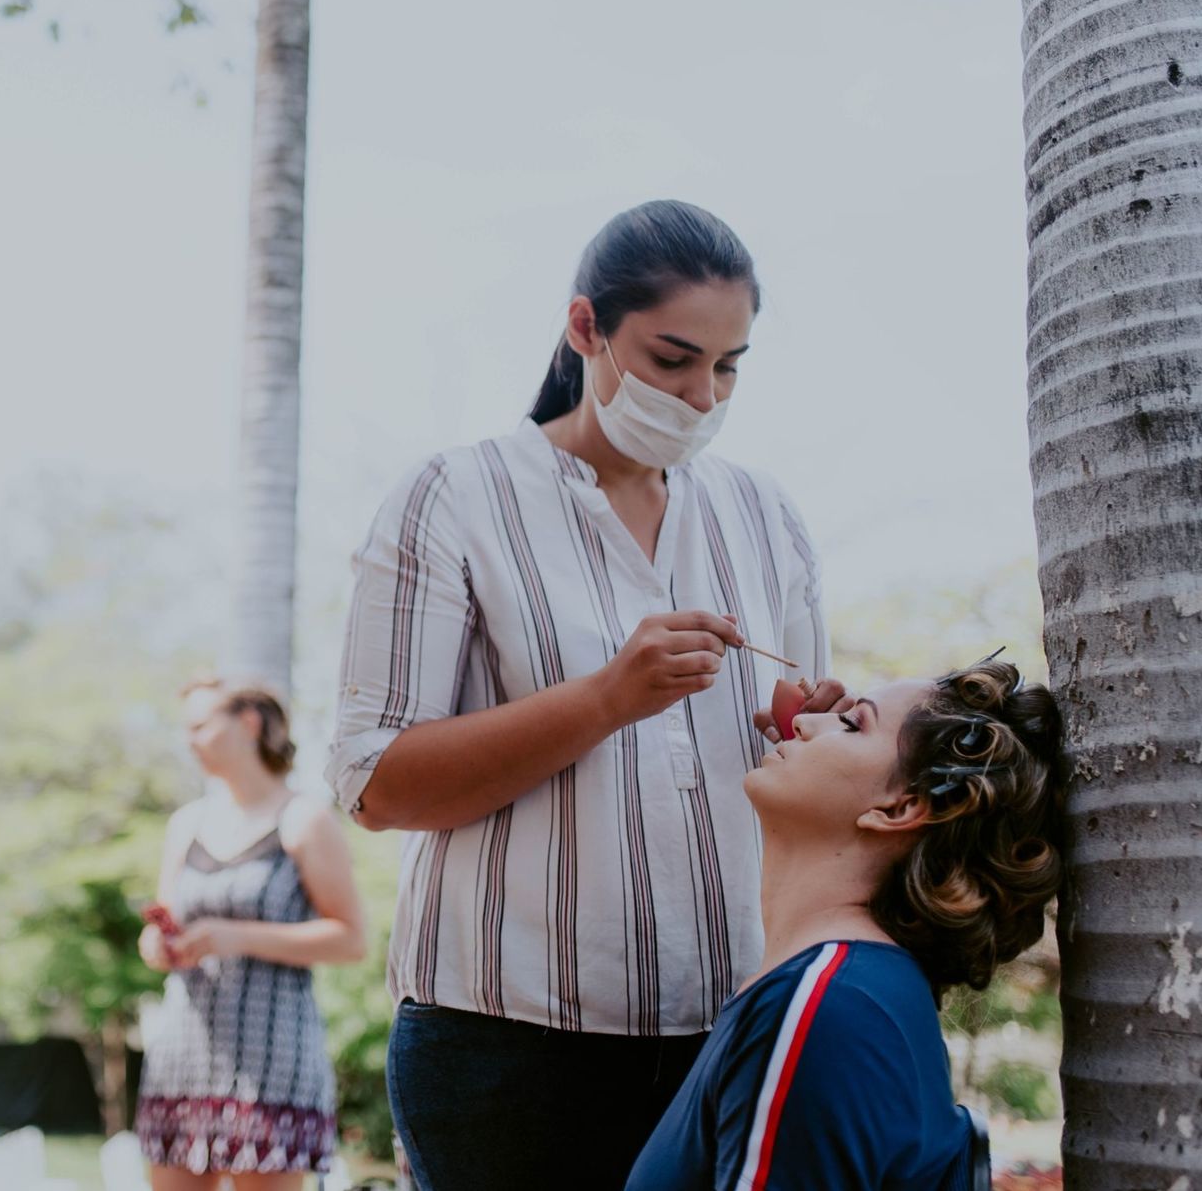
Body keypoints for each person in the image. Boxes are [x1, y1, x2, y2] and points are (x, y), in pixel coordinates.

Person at [326, 199, 855, 1189]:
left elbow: (797, 774)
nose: (702, 395)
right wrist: (608, 696)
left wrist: (808, 728)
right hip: (505, 1051)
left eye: (729, 364)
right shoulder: (455, 495)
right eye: (672, 358)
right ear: (586, 330)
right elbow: (375, 783)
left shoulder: (764, 516)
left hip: (731, 1031)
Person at [625, 656, 1066, 1189]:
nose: (806, 722)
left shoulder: (822, 1004)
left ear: (902, 807)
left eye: (854, 723)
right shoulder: (851, 992)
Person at [135, 680, 369, 1190]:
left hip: (272, 1062)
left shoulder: (304, 818)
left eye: (200, 725)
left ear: (249, 723)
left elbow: (352, 940)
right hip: (182, 1056)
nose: (190, 740)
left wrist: (236, 936)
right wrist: (158, 946)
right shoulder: (186, 823)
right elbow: (164, 928)